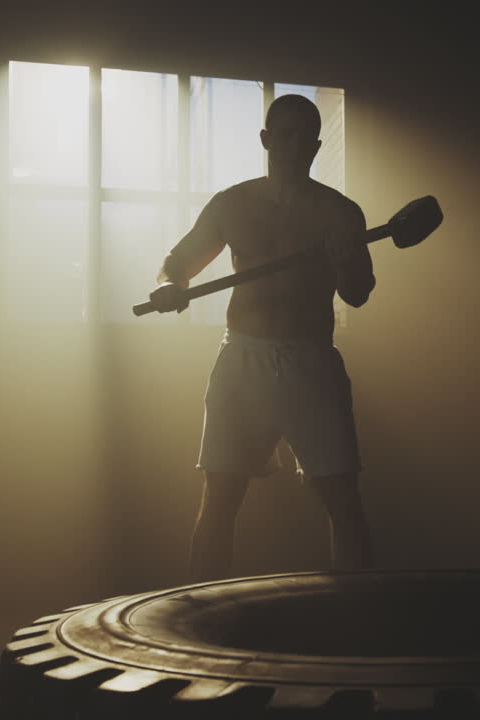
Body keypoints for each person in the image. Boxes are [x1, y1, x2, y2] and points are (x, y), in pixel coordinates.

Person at [147, 94, 375, 582]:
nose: (293, 145)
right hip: (242, 358)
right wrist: (170, 286)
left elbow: (358, 294)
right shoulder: (233, 204)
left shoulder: (339, 213)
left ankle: (360, 620)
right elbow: (180, 260)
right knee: (221, 496)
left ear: (316, 146)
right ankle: (200, 632)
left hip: (310, 360)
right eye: (283, 135)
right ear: (266, 140)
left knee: (342, 499)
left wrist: (346, 261)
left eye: (303, 137)